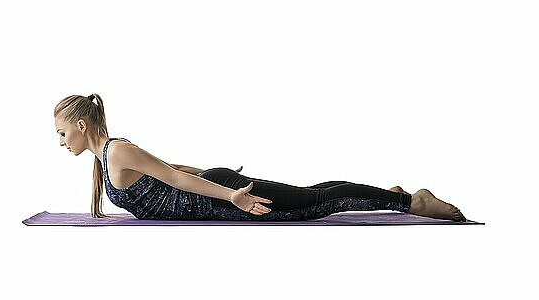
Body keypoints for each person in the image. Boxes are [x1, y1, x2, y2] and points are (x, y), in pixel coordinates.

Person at [54, 93, 466, 222]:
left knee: (312, 206)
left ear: (82, 125)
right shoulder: (108, 158)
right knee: (309, 195)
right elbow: (171, 170)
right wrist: (214, 178)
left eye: (61, 132)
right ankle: (385, 193)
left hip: (223, 197)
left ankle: (411, 202)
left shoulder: (116, 151)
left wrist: (228, 192)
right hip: (217, 193)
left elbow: (175, 179)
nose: (60, 141)